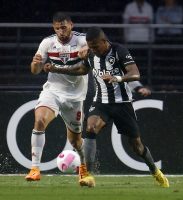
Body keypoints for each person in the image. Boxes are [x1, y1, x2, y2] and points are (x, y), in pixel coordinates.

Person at [44, 26, 169, 188]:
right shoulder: (90, 54)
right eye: (90, 46)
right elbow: (82, 69)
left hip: (122, 104)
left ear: (104, 41)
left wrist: (117, 78)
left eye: (95, 46)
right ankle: (87, 175)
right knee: (90, 127)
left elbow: (135, 73)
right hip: (101, 102)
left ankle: (155, 171)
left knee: (136, 146)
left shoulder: (119, 50)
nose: (93, 50)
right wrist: (57, 68)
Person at [25, 12, 95, 187]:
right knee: (39, 120)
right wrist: (35, 64)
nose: (61, 31)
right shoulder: (47, 42)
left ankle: (84, 169)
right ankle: (34, 169)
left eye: (64, 27)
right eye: (57, 28)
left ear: (71, 24)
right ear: (53, 28)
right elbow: (35, 70)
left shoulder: (82, 40)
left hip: (75, 97)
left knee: (75, 141)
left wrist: (88, 51)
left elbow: (85, 69)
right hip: (53, 91)